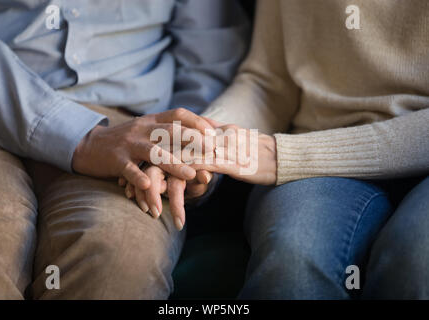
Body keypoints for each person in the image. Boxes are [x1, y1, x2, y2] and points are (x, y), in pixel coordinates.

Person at [129, 0, 429, 299]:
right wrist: (194, 144)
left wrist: (278, 155)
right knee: (292, 257)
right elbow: (269, 83)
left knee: (415, 258)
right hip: (317, 149)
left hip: (319, 152)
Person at [0, 0, 249, 299]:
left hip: (135, 125)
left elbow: (210, 63)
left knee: (121, 255)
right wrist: (82, 139)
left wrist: (186, 151)